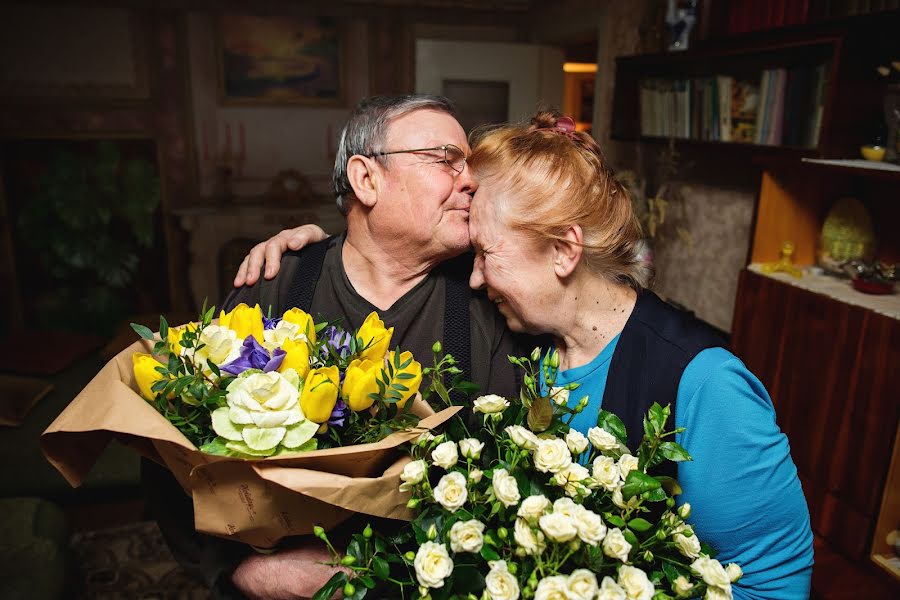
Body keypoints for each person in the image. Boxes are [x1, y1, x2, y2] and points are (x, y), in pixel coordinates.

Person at [244, 111, 815, 599]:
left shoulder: (705, 383)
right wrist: (313, 248)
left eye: (486, 254)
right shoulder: (525, 346)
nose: (472, 279)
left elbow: (775, 584)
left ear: (564, 250)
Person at [145, 94, 527, 600]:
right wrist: (235, 570)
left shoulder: (490, 306)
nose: (469, 179)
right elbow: (165, 447)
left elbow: (510, 481)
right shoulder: (274, 286)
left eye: (470, 164)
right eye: (445, 159)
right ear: (366, 179)